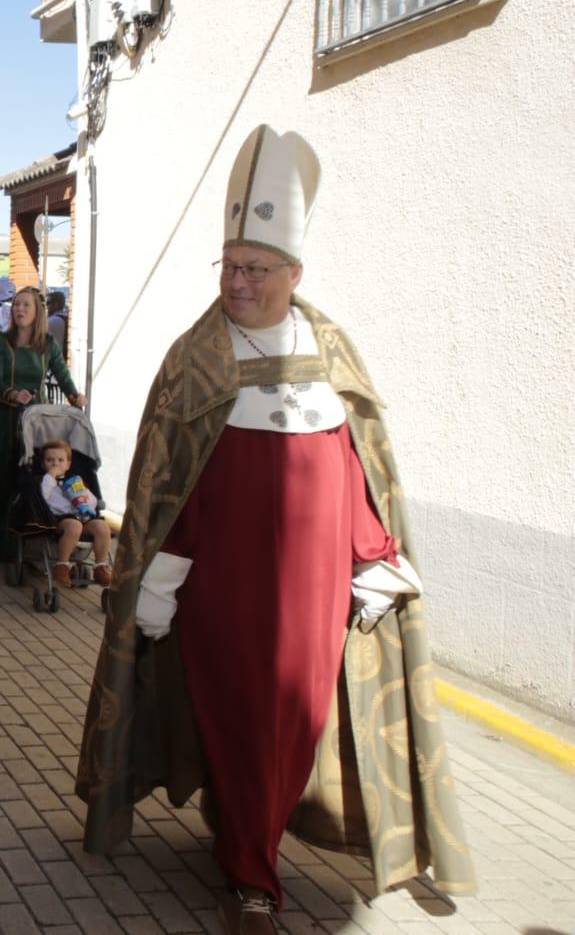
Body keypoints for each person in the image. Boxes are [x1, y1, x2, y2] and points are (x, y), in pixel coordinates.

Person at [74, 125, 474, 935]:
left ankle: (245, 830)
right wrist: (159, 573)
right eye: (229, 267)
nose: (238, 281)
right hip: (222, 578)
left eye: (256, 269)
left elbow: (355, 457)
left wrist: (373, 552)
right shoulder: (194, 357)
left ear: (294, 273)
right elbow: (169, 480)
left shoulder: (329, 348)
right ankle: (253, 879)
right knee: (239, 709)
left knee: (294, 720)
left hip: (317, 581)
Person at [0, 287, 85, 566]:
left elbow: (61, 372)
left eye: (26, 305)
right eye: (16, 305)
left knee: (32, 476)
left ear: (37, 312)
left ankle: (32, 535)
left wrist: (74, 395)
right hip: (5, 419)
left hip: (36, 420)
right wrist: (11, 393)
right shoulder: (1, 342)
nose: (19, 310)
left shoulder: (47, 342)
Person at [37, 440, 112, 588]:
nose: (55, 464)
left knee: (102, 526)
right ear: (42, 464)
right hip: (60, 519)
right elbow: (41, 497)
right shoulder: (45, 482)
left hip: (84, 517)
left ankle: (100, 566)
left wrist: (83, 500)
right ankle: (63, 564)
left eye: (60, 460)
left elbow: (93, 501)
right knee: (74, 526)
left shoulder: (75, 482)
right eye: (49, 460)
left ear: (68, 464)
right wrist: (50, 477)